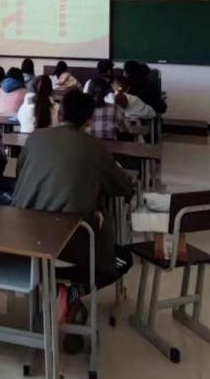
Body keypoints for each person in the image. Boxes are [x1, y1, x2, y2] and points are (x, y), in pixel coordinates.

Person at [12, 90, 135, 286]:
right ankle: (70, 293)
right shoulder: (95, 147)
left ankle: (56, 291)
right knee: (123, 260)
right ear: (90, 120)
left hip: (22, 235)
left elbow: (20, 174)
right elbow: (124, 187)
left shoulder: (35, 137)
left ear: (60, 114)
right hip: (68, 244)